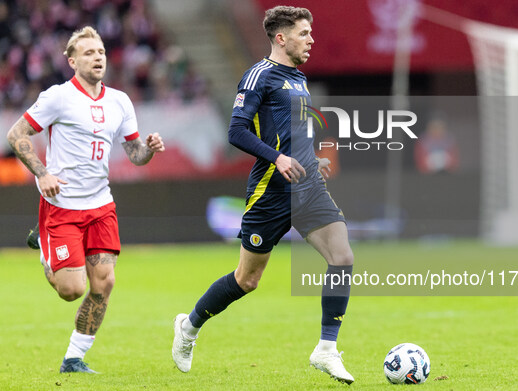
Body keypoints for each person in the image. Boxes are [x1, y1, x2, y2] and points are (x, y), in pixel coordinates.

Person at [171, 6, 355, 384]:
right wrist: (279, 158)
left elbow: (293, 132)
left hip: (307, 188)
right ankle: (189, 327)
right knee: (247, 279)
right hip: (270, 191)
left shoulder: (299, 79)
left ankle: (326, 349)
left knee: (342, 256)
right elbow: (236, 131)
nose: (311, 39)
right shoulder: (260, 76)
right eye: (304, 33)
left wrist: (311, 157)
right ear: (281, 37)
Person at [6, 26, 165, 374]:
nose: (98, 58)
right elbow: (16, 134)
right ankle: (44, 246)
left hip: (100, 205)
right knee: (71, 289)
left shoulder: (119, 101)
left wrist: (149, 150)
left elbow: (134, 153)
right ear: (72, 59)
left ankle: (73, 358)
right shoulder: (57, 97)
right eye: (89, 52)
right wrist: (42, 173)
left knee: (105, 282)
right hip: (62, 206)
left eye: (102, 52)